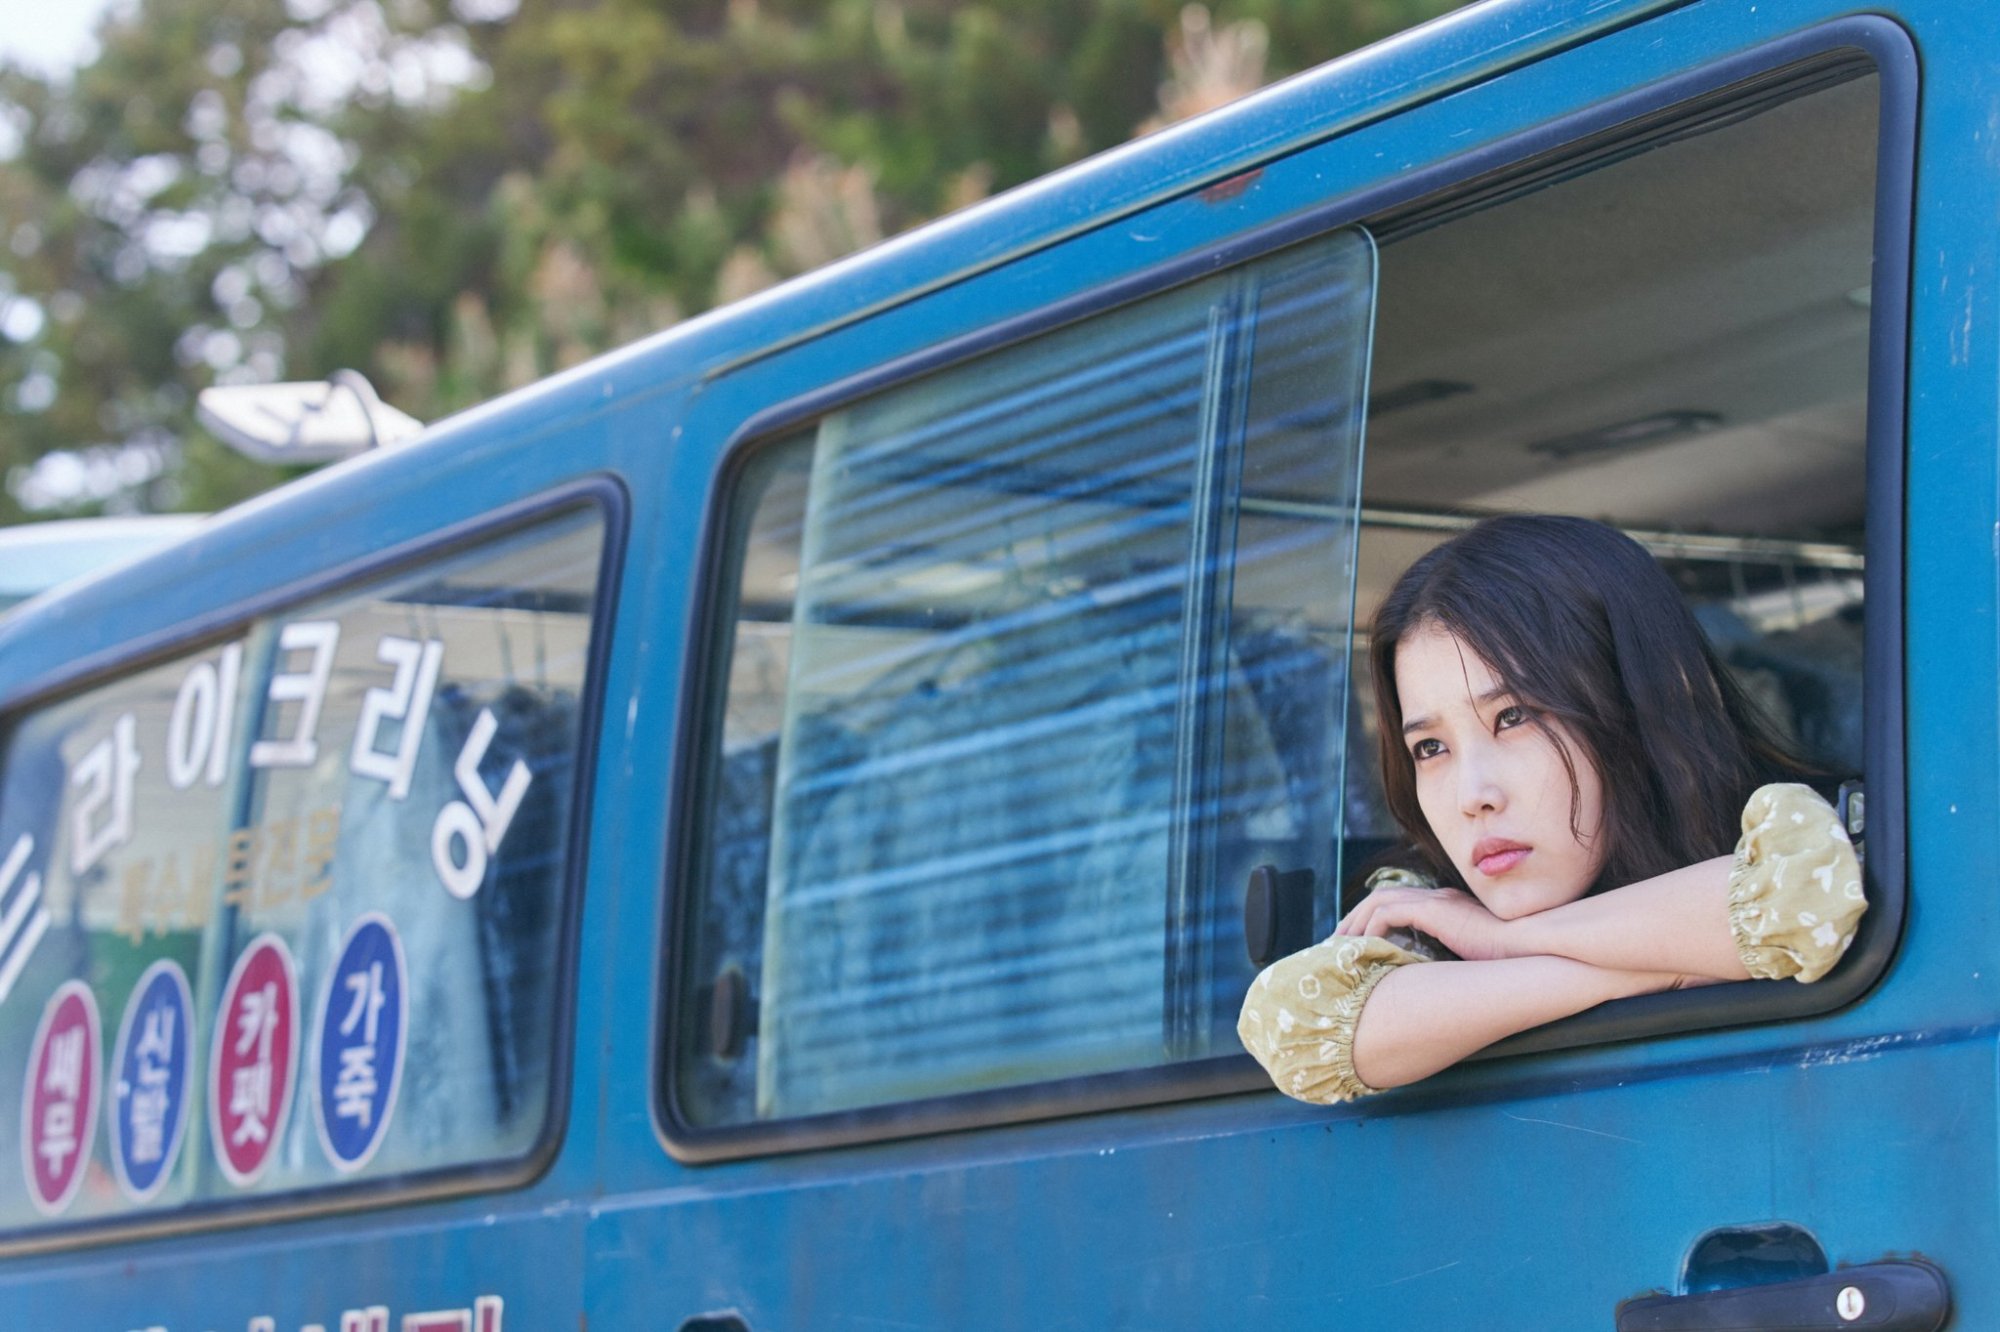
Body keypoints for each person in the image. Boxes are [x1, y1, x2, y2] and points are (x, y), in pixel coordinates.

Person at [1237, 515, 1866, 1104]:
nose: (1472, 795)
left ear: (1637, 703)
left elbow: (1802, 904)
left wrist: (1507, 941)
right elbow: (1298, 1030)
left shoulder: (1794, 831)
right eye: (1430, 747)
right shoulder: (1429, 900)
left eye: (1513, 717)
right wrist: (1651, 971)